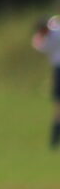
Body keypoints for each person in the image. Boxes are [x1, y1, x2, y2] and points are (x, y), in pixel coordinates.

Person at [33, 13, 60, 149]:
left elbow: (37, 43)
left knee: (58, 105)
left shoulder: (46, 40)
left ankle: (54, 139)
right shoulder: (54, 34)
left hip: (58, 70)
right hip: (58, 70)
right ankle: (55, 138)